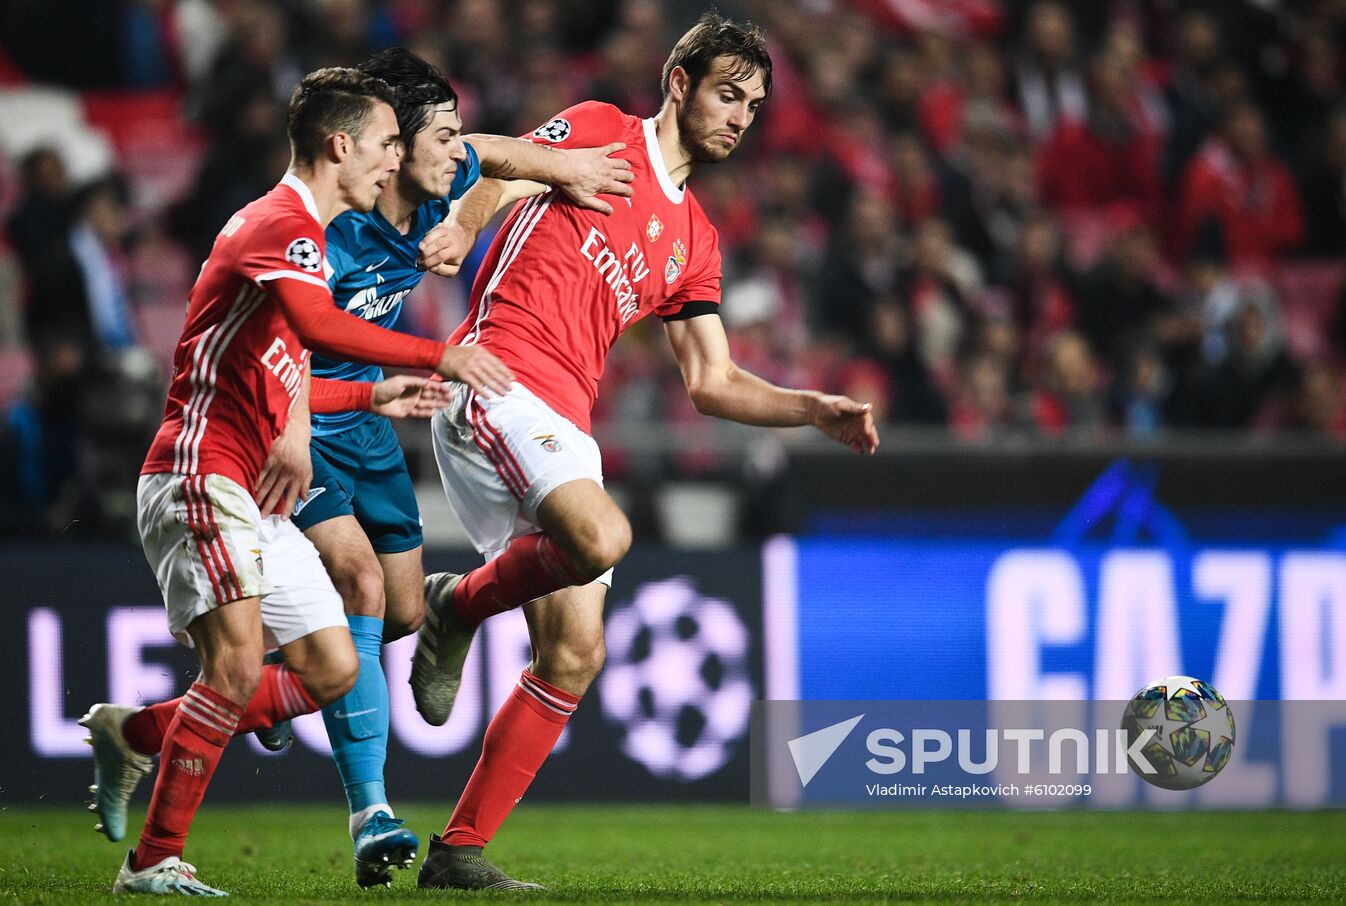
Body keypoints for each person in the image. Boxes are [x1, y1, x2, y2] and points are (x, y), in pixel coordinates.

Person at [409, 12, 878, 891]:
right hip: (499, 373)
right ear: (679, 83)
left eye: (753, 106)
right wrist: (466, 227)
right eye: (728, 94)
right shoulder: (602, 131)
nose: (740, 117)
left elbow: (712, 380)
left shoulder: (696, 242)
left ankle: (459, 851)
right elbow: (500, 167)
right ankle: (460, 607)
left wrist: (809, 407)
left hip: (563, 419)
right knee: (602, 535)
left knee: (576, 650)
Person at [77, 65, 514, 896]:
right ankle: (153, 861)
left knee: (331, 668)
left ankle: (134, 733)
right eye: (385, 144)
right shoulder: (281, 226)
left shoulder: (307, 239)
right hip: (202, 471)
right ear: (340, 145)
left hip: (256, 495)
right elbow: (318, 327)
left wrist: (372, 395)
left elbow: (287, 368)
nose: (394, 161)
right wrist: (439, 353)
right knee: (239, 665)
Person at [279, 47, 633, 888]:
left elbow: (502, 153)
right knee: (362, 584)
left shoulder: (438, 186)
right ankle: (372, 814)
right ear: (391, 147)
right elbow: (276, 347)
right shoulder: (324, 229)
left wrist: (566, 170)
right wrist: (298, 427)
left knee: (402, 614)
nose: (459, 150)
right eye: (442, 136)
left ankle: (250, 685)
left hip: (368, 423)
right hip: (298, 419)